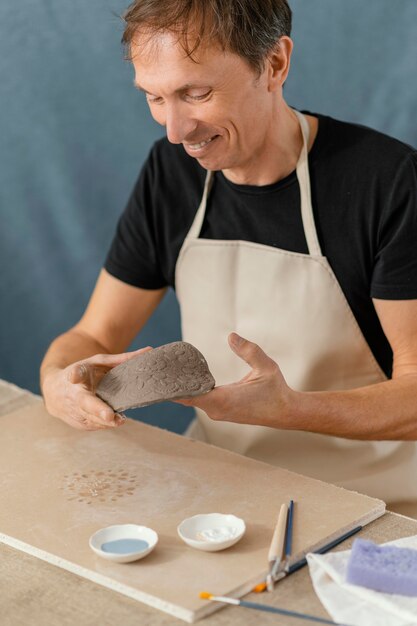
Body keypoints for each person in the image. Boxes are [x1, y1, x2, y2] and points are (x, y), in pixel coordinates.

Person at [41, 0, 417, 514]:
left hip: (376, 505)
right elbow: (95, 336)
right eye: (154, 97)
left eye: (196, 93)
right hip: (222, 490)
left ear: (275, 64)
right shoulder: (170, 174)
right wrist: (58, 384)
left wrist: (291, 410)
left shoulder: (386, 182)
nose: (175, 131)